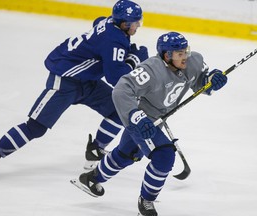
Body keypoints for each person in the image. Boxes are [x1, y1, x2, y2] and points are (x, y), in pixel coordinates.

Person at [0, 0, 149, 179]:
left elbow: (98, 22)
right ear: (124, 23)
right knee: (36, 127)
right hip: (65, 82)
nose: (138, 25)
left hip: (88, 82)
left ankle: (95, 150)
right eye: (135, 22)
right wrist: (134, 59)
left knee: (118, 111)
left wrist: (123, 54)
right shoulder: (114, 40)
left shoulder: (111, 24)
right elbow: (116, 78)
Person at [75, 32, 228, 216]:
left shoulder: (194, 60)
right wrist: (137, 117)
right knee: (164, 156)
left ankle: (91, 178)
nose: (185, 56)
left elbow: (200, 82)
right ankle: (146, 201)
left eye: (185, 51)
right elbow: (121, 90)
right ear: (167, 55)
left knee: (125, 154)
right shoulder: (151, 69)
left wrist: (212, 80)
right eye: (179, 53)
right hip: (140, 119)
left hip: (157, 119)